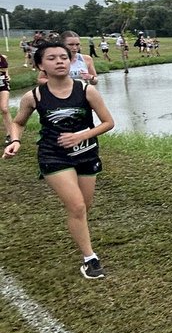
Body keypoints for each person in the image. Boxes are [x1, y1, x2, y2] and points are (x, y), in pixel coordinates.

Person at [3, 40, 115, 279]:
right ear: (40, 65)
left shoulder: (86, 90)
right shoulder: (33, 96)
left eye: (63, 57)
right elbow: (18, 122)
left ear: (70, 60)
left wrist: (81, 135)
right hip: (53, 156)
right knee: (76, 206)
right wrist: (15, 140)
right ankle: (90, 258)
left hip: (86, 154)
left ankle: (80, 234)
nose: (59, 62)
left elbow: (108, 122)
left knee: (84, 206)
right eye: (52, 58)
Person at [0, 51, 13, 143]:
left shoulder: (2, 58)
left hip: (2, 84)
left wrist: (8, 75)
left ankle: (10, 134)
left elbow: (5, 69)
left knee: (4, 109)